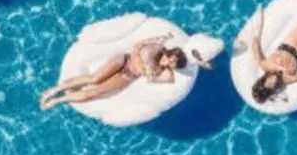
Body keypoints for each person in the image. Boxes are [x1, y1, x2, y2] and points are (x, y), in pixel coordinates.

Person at [40, 35, 191, 109]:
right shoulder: (157, 48)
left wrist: (160, 73)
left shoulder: (163, 71)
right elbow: (137, 46)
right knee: (94, 78)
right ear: (170, 53)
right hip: (124, 60)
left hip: (128, 76)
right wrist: (141, 63)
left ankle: (57, 100)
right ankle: (55, 90)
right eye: (171, 59)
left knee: (94, 93)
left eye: (173, 64)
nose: (169, 63)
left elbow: (156, 79)